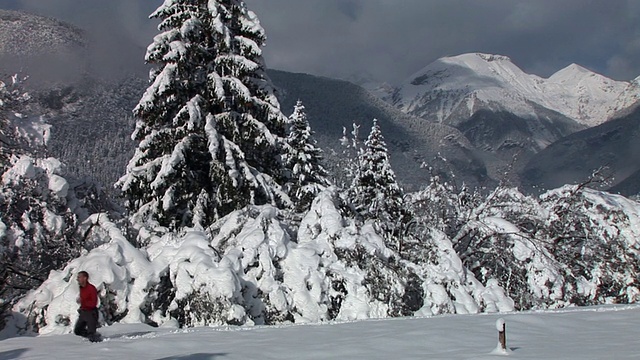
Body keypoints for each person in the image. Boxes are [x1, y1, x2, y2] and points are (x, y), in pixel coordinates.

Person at [73, 271, 100, 341]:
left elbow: (94, 303)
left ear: (85, 278)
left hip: (91, 313)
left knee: (91, 334)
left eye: (79, 277)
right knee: (77, 331)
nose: (77, 279)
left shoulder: (91, 288)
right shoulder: (82, 288)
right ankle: (94, 337)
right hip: (83, 313)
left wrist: (83, 301)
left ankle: (98, 344)